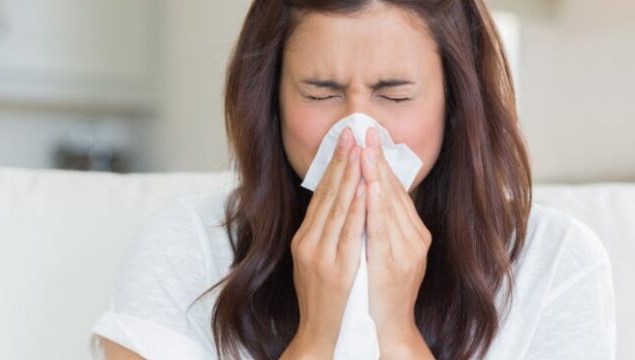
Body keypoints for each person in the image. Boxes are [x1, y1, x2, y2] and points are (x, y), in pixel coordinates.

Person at [91, 0, 616, 358]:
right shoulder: (184, 244)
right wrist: (318, 333)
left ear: (456, 102)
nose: (357, 133)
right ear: (270, 101)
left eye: (395, 95)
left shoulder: (555, 259)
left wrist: (395, 328)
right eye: (321, 94)